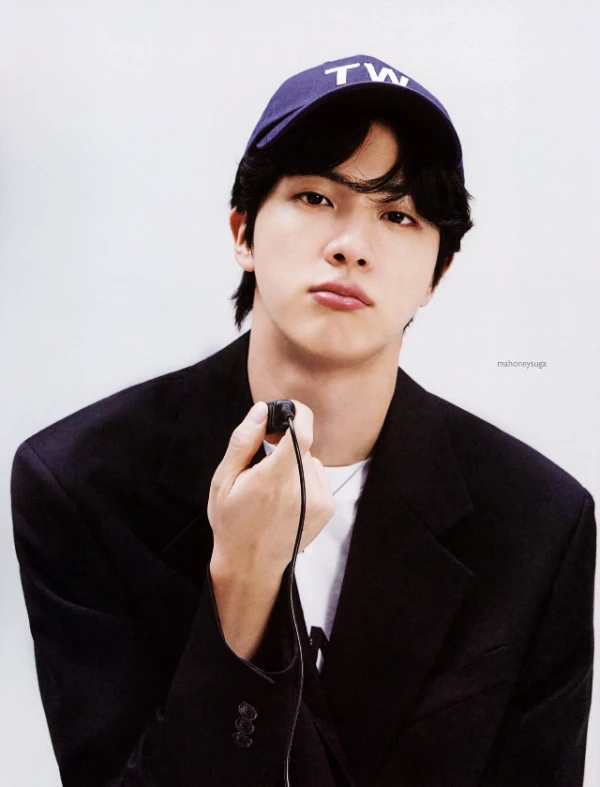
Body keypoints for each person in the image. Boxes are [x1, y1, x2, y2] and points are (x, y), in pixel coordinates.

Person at [11, 54, 596, 787]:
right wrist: (242, 583)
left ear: (438, 274)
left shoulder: (538, 521)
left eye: (398, 215)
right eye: (316, 197)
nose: (351, 245)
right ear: (243, 233)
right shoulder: (84, 483)